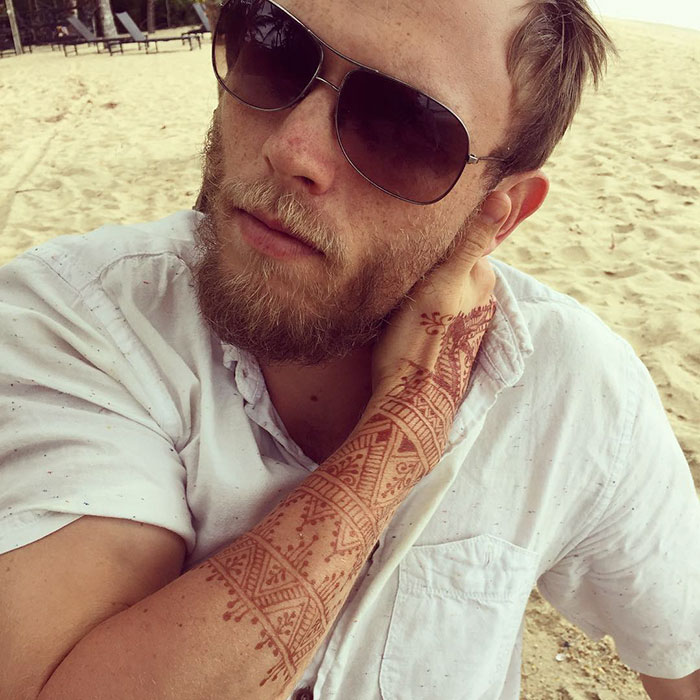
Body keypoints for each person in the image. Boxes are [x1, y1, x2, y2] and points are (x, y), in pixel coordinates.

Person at [0, 0, 698, 698]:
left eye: (402, 126)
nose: (291, 149)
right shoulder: (80, 318)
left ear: (498, 211)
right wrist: (409, 420)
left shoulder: (575, 389)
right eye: (275, 50)